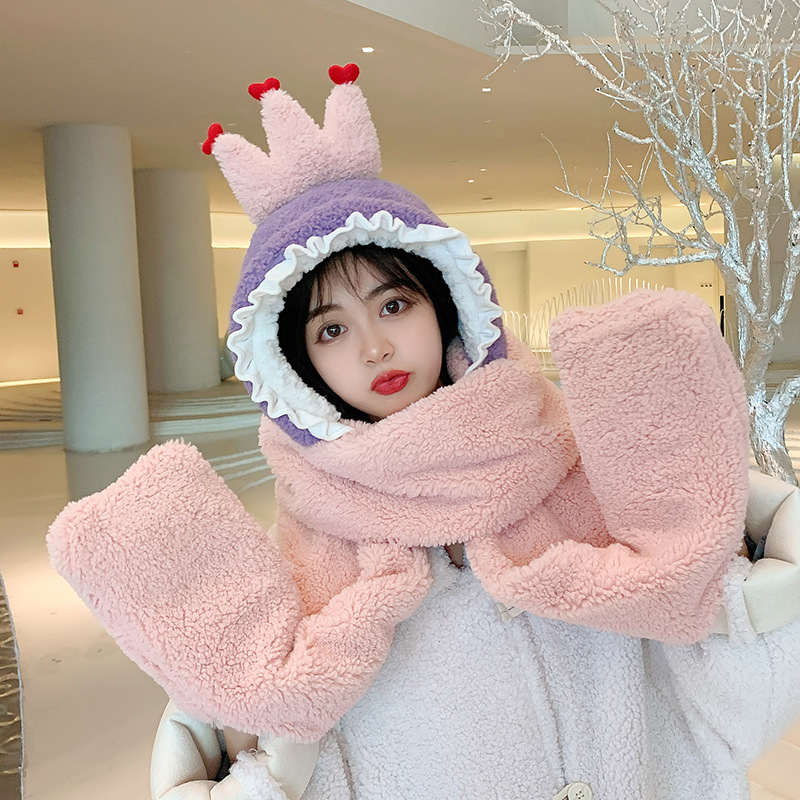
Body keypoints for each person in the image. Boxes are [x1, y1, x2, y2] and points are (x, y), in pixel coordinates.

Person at [48, 65, 800, 800]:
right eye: (332, 329)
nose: (374, 347)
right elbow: (297, 735)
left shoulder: (571, 459)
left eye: (394, 305)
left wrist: (756, 567)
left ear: (445, 302)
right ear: (298, 366)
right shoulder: (313, 545)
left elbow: (704, 671)